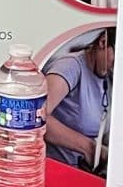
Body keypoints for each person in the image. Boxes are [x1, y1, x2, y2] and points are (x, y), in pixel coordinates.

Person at [45, 28, 115, 171]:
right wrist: (90, 149)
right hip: (56, 167)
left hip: (83, 170)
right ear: (103, 42)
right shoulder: (69, 66)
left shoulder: (108, 75)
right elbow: (36, 118)